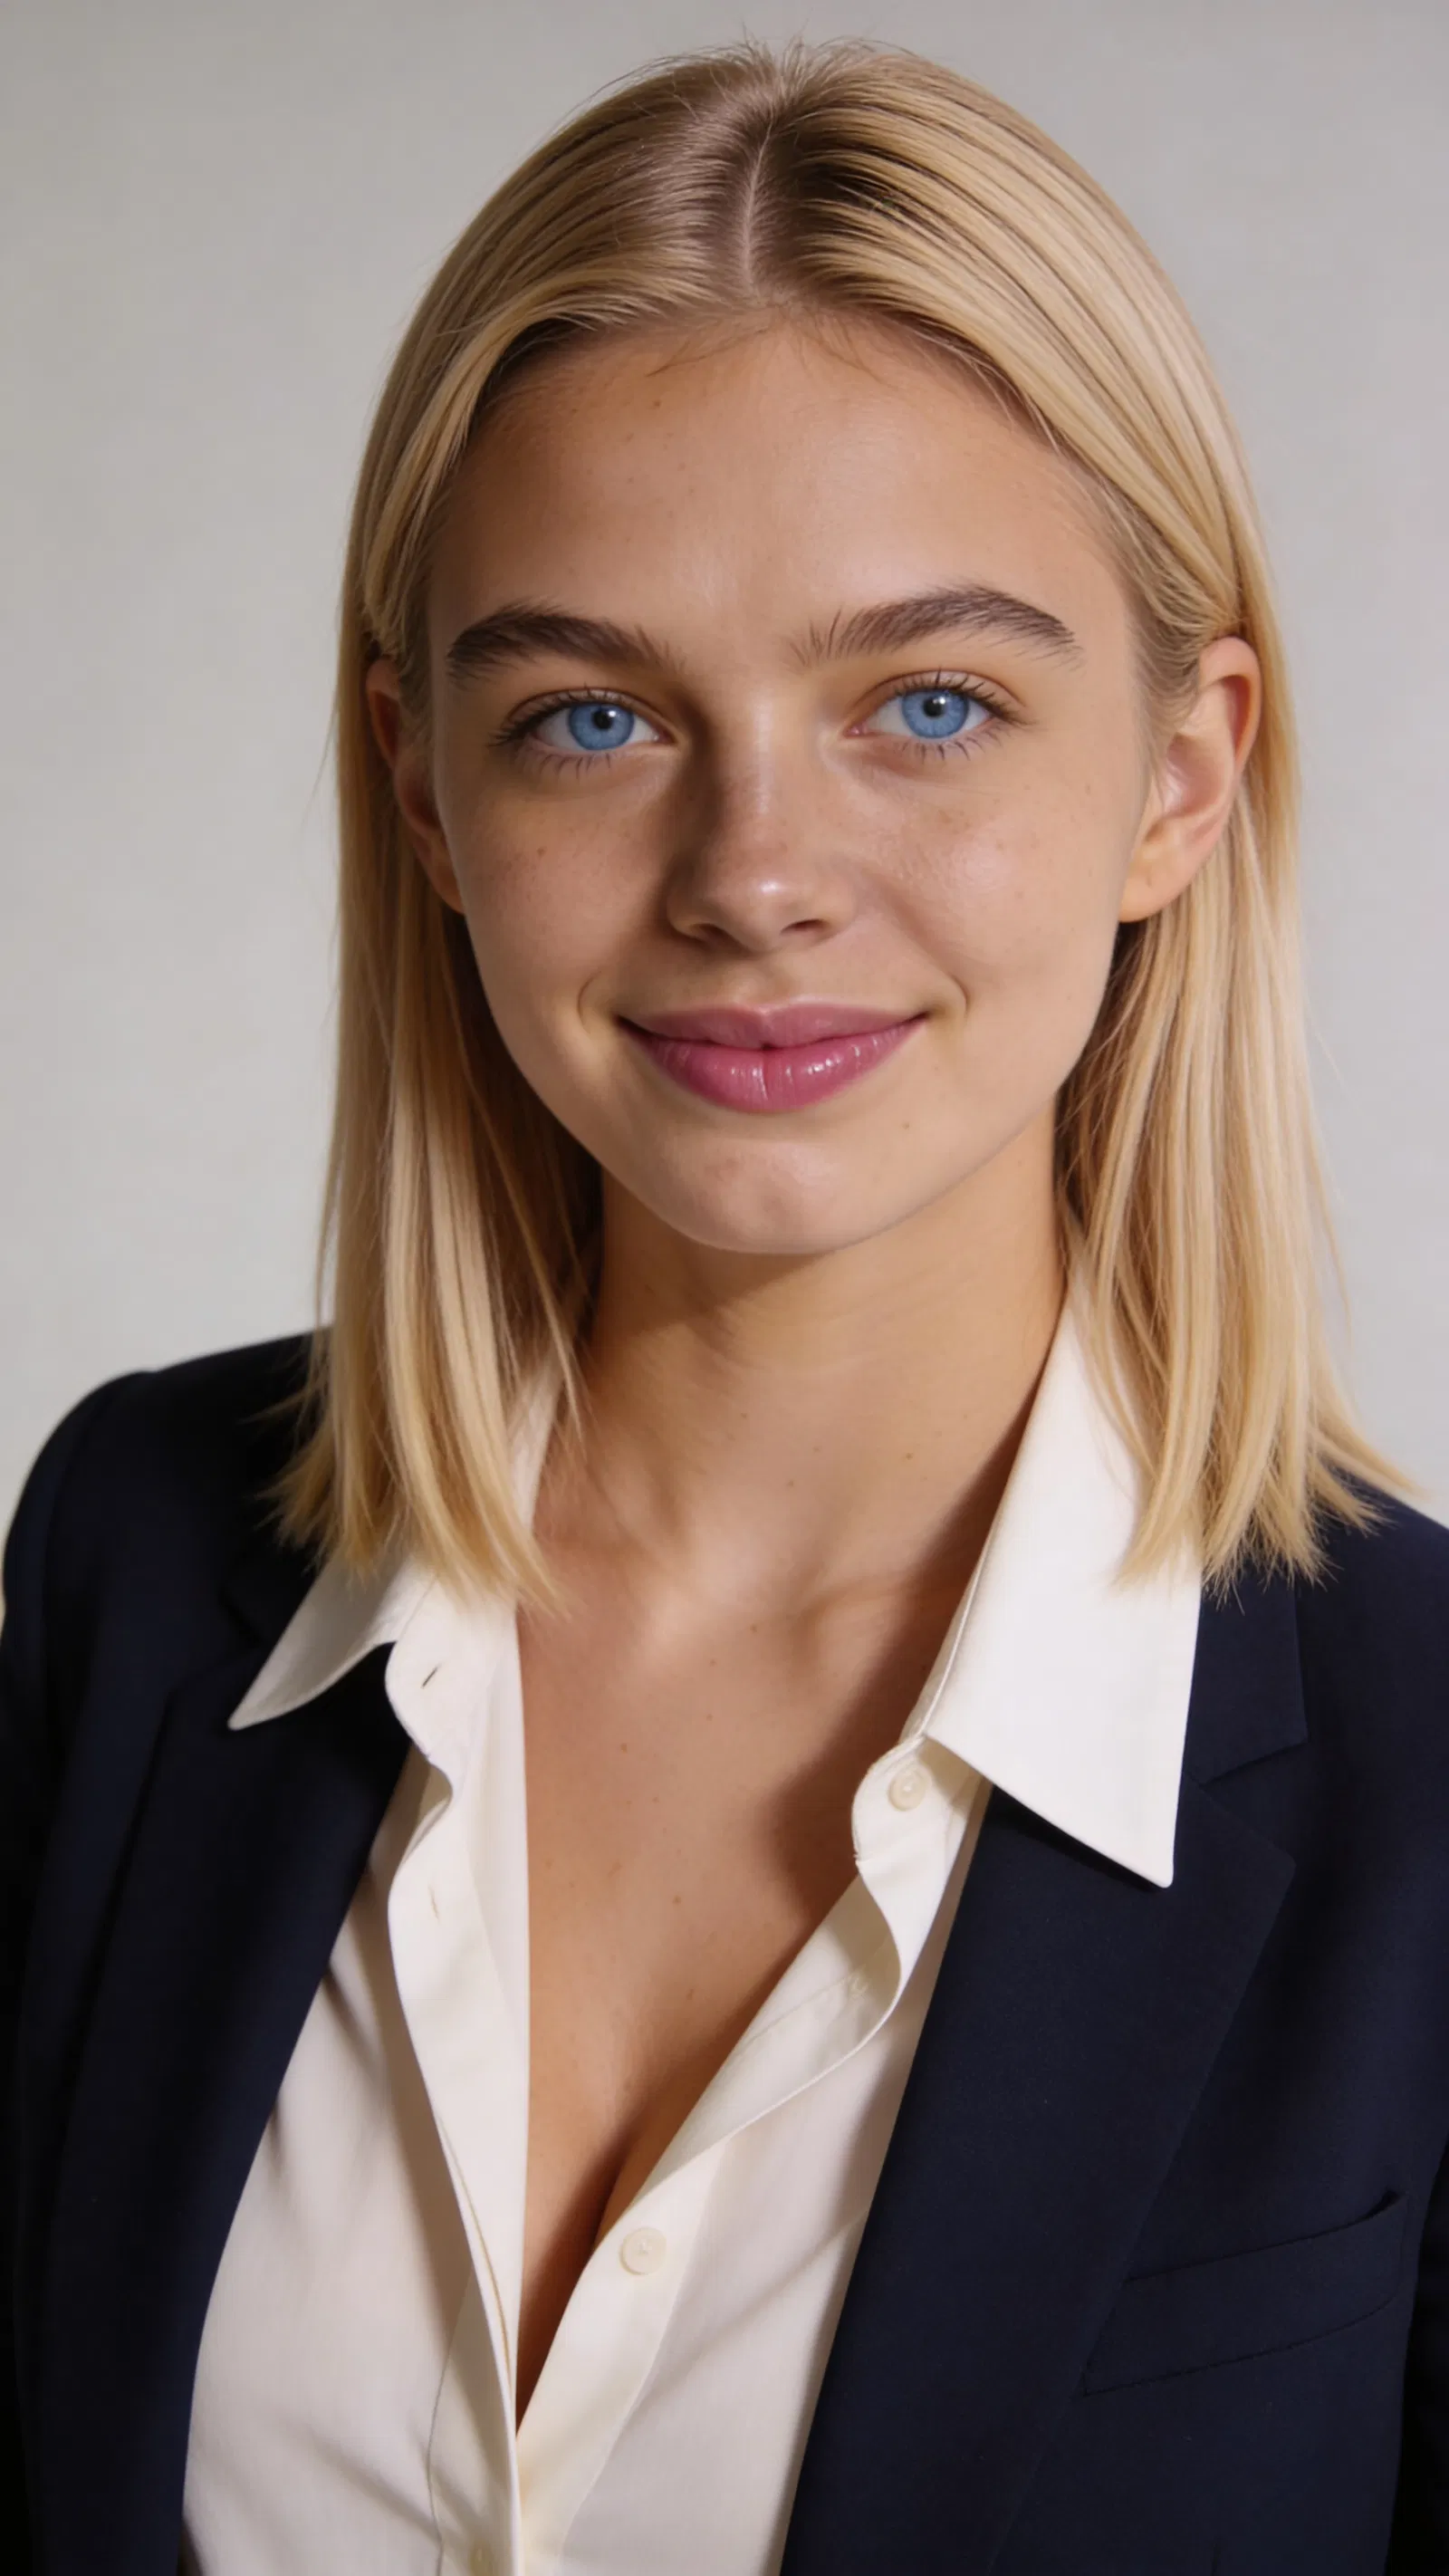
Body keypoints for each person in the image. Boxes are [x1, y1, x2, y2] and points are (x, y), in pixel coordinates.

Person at [3, 29, 1446, 2574]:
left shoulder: (1428, 1769)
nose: (755, 871)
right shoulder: (135, 1555)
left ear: (1180, 774)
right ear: (426, 791)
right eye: (591, 716)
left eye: (929, 705)